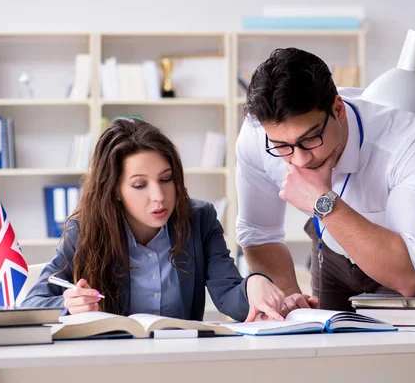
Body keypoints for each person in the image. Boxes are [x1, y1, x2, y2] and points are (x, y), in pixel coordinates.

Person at [236, 47, 415, 313]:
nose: (300, 160)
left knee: (404, 351)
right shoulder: (257, 135)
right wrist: (291, 305)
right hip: (331, 249)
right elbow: (259, 234)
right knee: (324, 345)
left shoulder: (413, 135)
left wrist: (322, 201)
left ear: (338, 109)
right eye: (282, 146)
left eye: (310, 139)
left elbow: (410, 276)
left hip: (405, 255)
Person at [23, 117, 285, 322]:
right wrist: (68, 304)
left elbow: (229, 295)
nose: (159, 197)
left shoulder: (200, 219)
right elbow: (32, 303)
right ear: (114, 189)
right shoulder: (85, 229)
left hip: (178, 362)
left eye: (166, 179)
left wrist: (254, 284)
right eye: (139, 185)